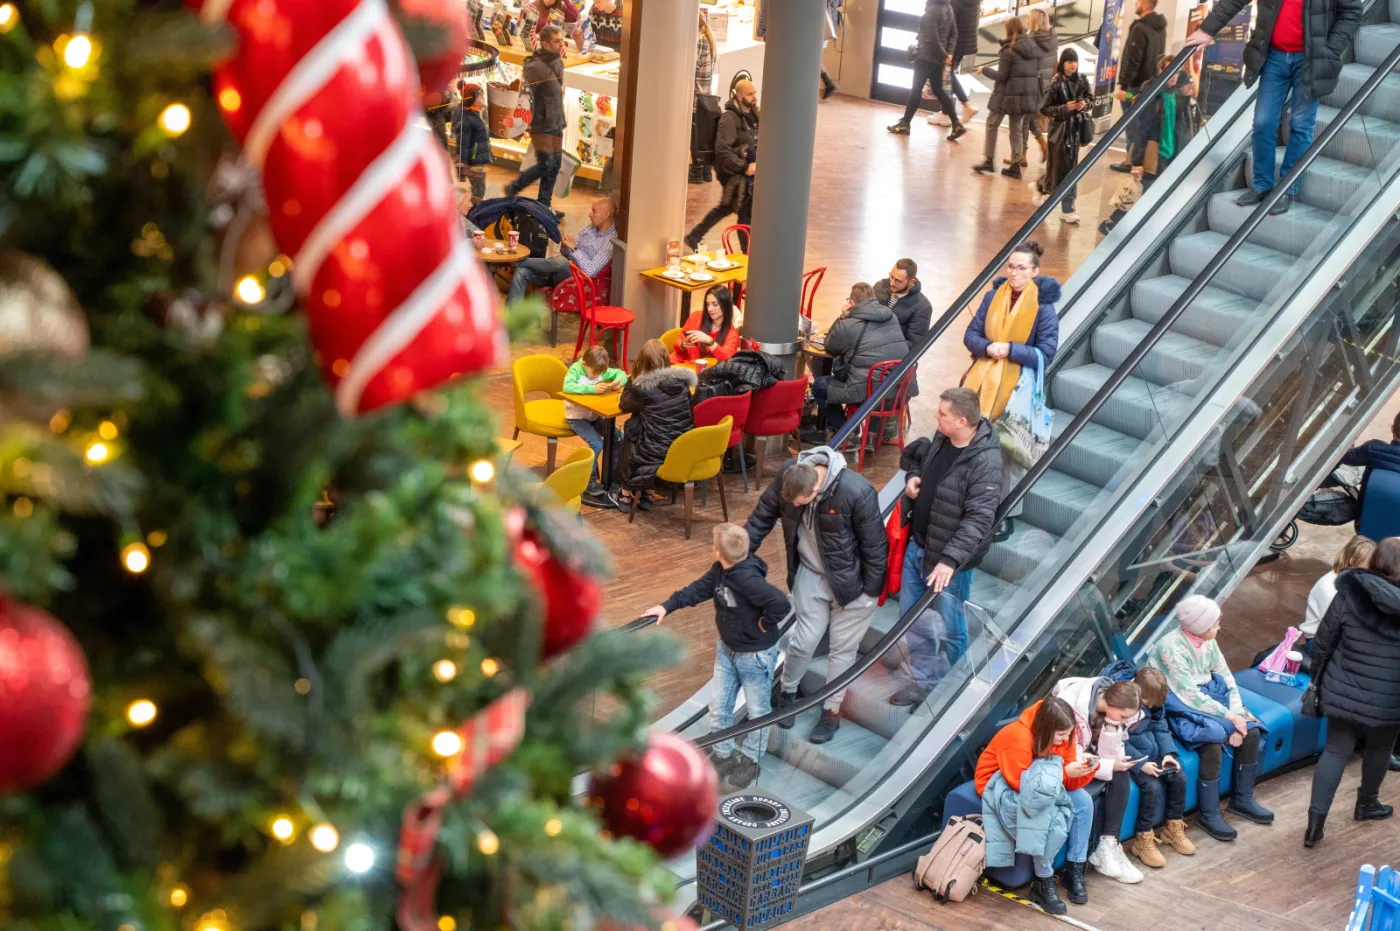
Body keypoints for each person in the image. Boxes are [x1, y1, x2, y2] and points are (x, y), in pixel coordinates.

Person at [745, 448, 887, 744]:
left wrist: (869, 593)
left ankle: (831, 712)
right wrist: (739, 555)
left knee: (842, 652)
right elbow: (762, 516)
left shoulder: (856, 492)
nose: (794, 505)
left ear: (817, 488)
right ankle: (787, 693)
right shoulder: (791, 475)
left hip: (852, 585)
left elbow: (875, 548)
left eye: (800, 501)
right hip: (809, 574)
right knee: (803, 641)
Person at [640, 524, 791, 789]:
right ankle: (722, 753)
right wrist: (667, 606)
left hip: (754, 656)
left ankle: (751, 761)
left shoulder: (748, 580)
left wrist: (764, 625)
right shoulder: (721, 570)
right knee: (718, 706)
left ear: (717, 551)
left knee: (758, 712)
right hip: (727, 650)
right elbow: (699, 589)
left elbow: (780, 603)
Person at [1183, 0, 1361, 216]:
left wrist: (1330, 50)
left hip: (1310, 60)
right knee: (1263, 123)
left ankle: (1287, 188)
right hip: (1274, 56)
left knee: (1300, 125)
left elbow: (1351, 11)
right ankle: (1262, 185)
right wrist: (1207, 29)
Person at [892, 387, 1003, 704]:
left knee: (952, 627)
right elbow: (921, 460)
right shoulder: (942, 437)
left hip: (949, 566)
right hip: (919, 546)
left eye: (943, 414)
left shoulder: (985, 462)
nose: (935, 417)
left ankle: (951, 690)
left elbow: (979, 519)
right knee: (913, 619)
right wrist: (914, 476)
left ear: (962, 421)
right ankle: (924, 681)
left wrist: (950, 560)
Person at [1147, 595, 1275, 841]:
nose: (1219, 626)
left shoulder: (1209, 641)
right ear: (1199, 626)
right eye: (1215, 623)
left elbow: (1226, 677)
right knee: (1211, 744)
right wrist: (1229, 721)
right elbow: (1189, 696)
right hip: (1179, 704)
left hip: (1211, 697)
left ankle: (1242, 799)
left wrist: (1237, 716)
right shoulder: (1170, 648)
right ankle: (1209, 813)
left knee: (1253, 731)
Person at [1304, 536, 1400, 847]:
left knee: (1335, 751)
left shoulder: (1349, 591)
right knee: (1379, 751)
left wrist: (1317, 678)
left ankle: (1315, 826)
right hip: (1390, 698)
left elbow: (1324, 640)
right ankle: (1366, 805)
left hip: (1343, 689)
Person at [962, 241, 1059, 535]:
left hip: (1016, 389)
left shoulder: (1043, 306)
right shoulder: (993, 296)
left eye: (1021, 268)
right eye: (1011, 267)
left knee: (1007, 450)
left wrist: (1012, 349)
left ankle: (1004, 512)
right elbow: (971, 335)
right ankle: (969, 501)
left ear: (1034, 271)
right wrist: (988, 346)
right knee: (973, 442)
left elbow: (1047, 352)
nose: (1014, 273)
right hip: (981, 380)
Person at [975, 697, 1097, 914]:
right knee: (1044, 816)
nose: (1065, 740)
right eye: (1061, 735)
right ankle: (1043, 881)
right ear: (1045, 729)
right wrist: (1062, 773)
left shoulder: (1063, 734)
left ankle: (1074, 869)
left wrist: (1084, 771)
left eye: (1068, 734)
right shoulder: (1017, 736)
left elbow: (1066, 780)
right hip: (1001, 782)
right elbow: (1020, 783)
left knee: (1084, 802)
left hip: (1042, 782)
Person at [1050, 676, 1147, 884]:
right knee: (1114, 772)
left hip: (1085, 758)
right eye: (1121, 716)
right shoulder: (1070, 705)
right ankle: (1103, 847)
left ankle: (1109, 842)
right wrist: (1110, 765)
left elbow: (1109, 754)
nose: (1122, 721)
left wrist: (1112, 728)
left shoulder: (1110, 709)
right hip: (1062, 763)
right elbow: (1071, 756)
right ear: (1112, 704)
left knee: (1121, 773)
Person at [811, 282, 907, 438]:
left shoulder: (849, 324)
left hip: (867, 391)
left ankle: (847, 432)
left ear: (851, 303)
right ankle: (853, 430)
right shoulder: (892, 317)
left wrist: (841, 318)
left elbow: (830, 345)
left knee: (820, 386)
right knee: (846, 377)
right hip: (896, 390)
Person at [1124, 667, 1196, 869]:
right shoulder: (1124, 704)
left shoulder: (1155, 705)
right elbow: (1118, 741)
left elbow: (1160, 727)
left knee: (1179, 776)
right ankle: (1143, 838)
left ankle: (1173, 826)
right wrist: (1140, 764)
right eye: (1148, 704)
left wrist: (1168, 754)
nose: (1151, 707)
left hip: (1154, 751)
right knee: (1152, 787)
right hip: (1132, 757)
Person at [614, 340, 696, 513]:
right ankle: (649, 492)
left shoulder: (643, 388)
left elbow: (624, 404)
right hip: (681, 449)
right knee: (645, 424)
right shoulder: (682, 382)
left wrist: (633, 379)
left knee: (632, 430)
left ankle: (626, 492)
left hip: (653, 452)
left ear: (642, 361)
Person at [685, 80, 759, 252]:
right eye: (750, 94)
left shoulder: (752, 115)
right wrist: (743, 167)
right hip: (735, 175)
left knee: (728, 207)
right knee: (744, 212)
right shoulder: (729, 119)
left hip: (746, 174)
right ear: (739, 95)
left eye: (755, 92)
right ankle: (746, 254)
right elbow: (722, 150)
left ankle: (694, 236)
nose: (754, 97)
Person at [507, 25, 568, 217]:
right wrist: (522, 123)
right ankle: (514, 187)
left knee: (555, 165)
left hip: (556, 120)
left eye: (561, 40)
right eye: (557, 41)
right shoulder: (534, 67)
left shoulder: (558, 61)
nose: (561, 44)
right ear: (546, 43)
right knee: (547, 164)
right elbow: (526, 96)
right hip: (542, 124)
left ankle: (544, 207)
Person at [506, 197, 617, 303]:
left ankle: (518, 262)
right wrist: (566, 246)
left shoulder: (610, 241)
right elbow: (566, 252)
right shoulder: (590, 229)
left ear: (606, 215)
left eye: (594, 211)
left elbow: (590, 270)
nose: (590, 214)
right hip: (560, 271)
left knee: (562, 261)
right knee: (521, 272)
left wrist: (573, 249)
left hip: (577, 281)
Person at [971, 18, 1041, 180]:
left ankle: (989, 160)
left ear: (1009, 31)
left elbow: (1002, 76)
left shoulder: (1008, 50)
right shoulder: (1032, 48)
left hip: (1006, 96)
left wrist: (984, 69)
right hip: (1023, 96)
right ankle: (1016, 165)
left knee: (991, 124)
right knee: (1016, 129)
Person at [886, 0, 967, 142]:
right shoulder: (948, 7)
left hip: (925, 57)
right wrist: (948, 54)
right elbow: (954, 33)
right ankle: (956, 124)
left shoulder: (931, 12)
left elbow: (931, 39)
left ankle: (905, 124)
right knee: (940, 91)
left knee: (916, 90)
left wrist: (944, 55)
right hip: (939, 60)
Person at [1034, 50, 1093, 223]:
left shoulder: (1082, 79)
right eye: (1069, 61)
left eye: (1074, 61)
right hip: (1059, 132)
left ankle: (1064, 205)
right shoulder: (1055, 83)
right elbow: (1045, 108)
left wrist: (1084, 105)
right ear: (1062, 63)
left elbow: (1090, 99)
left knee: (1069, 169)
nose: (1072, 65)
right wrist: (1065, 108)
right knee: (1058, 168)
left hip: (1075, 131)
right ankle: (1065, 206)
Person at [1110, 0, 1168, 173]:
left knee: (1132, 125)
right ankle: (1139, 162)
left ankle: (1132, 162)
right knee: (1143, 126)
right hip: (1151, 85)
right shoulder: (1160, 28)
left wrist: (1124, 86)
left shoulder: (1140, 28)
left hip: (1135, 86)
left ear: (1146, 3)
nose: (1136, 3)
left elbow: (1132, 59)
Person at [563, 345, 626, 501]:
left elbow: (621, 373)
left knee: (619, 438)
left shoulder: (600, 369)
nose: (596, 376)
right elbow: (567, 386)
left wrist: (618, 381)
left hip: (595, 416)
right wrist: (591, 388)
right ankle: (589, 481)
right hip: (576, 417)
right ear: (585, 364)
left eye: (600, 373)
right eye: (594, 373)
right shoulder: (576, 370)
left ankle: (612, 476)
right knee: (597, 444)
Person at [1303, 535, 1376, 643]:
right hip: (1317, 639)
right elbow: (1335, 626)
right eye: (1368, 565)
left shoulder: (1351, 579)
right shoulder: (1329, 588)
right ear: (1353, 560)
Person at [1017, 8, 1057, 167]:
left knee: (1023, 120)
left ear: (1033, 21)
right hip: (1045, 85)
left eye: (1028, 18)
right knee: (1027, 118)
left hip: (1031, 84)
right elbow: (1055, 64)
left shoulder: (1030, 40)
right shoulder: (1053, 38)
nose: (1026, 20)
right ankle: (1034, 148)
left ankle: (1026, 153)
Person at [1340, 412, 1400, 511]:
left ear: (1392, 428)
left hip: (1365, 520)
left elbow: (1343, 456)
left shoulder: (1373, 449)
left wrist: (1351, 433)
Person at [873, 258, 933, 353]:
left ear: (911, 282)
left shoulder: (922, 307)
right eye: (891, 276)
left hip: (890, 356)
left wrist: (882, 340)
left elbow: (915, 345)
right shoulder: (879, 287)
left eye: (898, 281)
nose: (892, 283)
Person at [670, 285, 741, 365]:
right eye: (708, 304)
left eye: (715, 304)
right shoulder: (696, 316)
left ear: (726, 306)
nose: (710, 309)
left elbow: (726, 359)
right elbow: (676, 345)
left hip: (698, 371)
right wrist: (682, 345)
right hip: (677, 364)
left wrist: (709, 341)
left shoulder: (732, 334)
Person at [938, 0, 980, 126]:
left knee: (947, 76)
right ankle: (951, 110)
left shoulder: (957, 1)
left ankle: (949, 112)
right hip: (964, 43)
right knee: (948, 75)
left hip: (954, 43)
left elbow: (950, 22)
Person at [454, 85, 491, 206]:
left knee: (478, 189)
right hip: (472, 162)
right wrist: (461, 164)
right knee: (479, 190)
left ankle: (473, 209)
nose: (483, 98)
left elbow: (485, 134)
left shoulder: (477, 115)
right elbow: (462, 143)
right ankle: (475, 213)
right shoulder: (468, 119)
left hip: (477, 159)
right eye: (480, 96)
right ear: (472, 99)